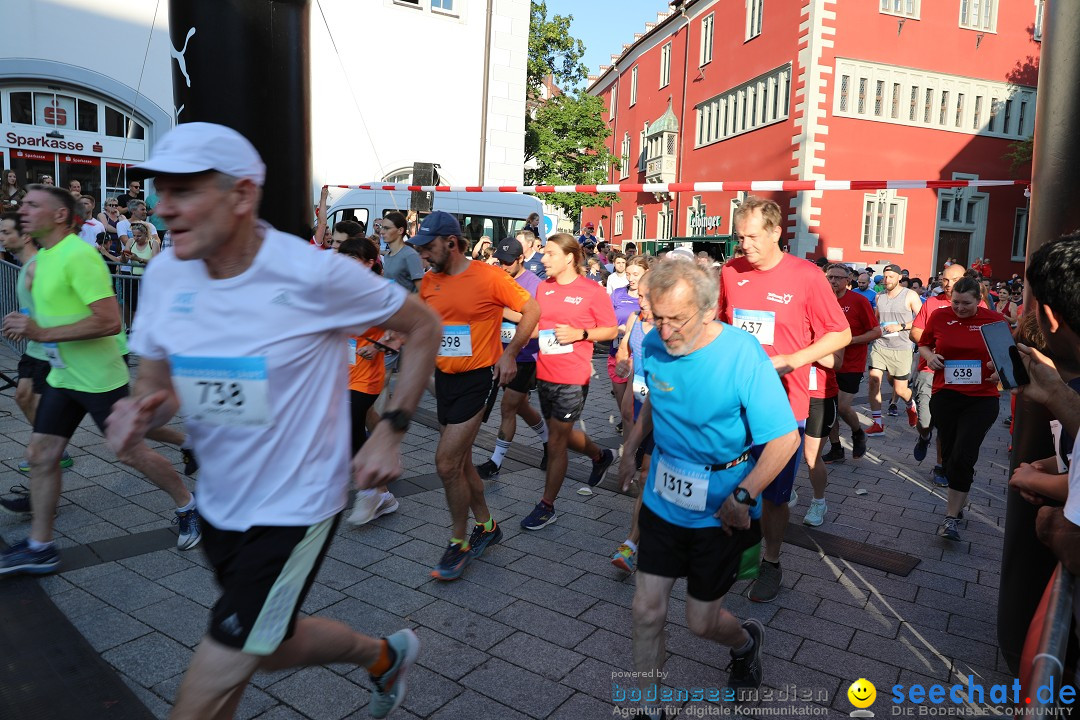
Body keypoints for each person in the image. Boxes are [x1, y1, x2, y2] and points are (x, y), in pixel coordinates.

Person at [101, 122, 441, 719]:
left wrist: (391, 428)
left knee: (213, 675)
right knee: (266, 649)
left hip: (298, 505)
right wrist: (145, 405)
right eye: (160, 190)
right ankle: (384, 656)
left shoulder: (313, 274)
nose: (163, 207)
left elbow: (423, 327)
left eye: (184, 190)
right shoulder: (164, 274)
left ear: (241, 195)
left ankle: (382, 656)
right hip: (220, 502)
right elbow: (154, 378)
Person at [618, 260, 800, 714]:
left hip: (722, 507)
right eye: (656, 317)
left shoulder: (742, 355)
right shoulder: (655, 344)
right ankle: (648, 706)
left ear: (709, 308)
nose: (664, 329)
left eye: (675, 319)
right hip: (664, 501)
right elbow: (657, 400)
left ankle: (744, 642)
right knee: (646, 610)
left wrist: (745, 495)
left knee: (700, 621)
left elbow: (784, 439)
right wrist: (631, 445)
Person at [0, 184, 201, 576]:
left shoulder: (79, 257)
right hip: (63, 375)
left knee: (131, 453)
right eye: (21, 203)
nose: (22, 209)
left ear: (59, 215)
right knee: (41, 456)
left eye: (31, 204)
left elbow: (109, 321)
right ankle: (41, 546)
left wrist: (39, 331)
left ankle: (187, 505)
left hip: (98, 379)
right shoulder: (44, 258)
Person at [718, 196, 850, 603]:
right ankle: (738, 555)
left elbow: (839, 334)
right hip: (734, 403)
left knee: (774, 496)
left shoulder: (807, 276)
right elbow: (720, 328)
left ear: (776, 232)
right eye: (740, 237)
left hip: (783, 406)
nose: (745, 246)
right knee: (733, 483)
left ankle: (771, 562)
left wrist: (794, 359)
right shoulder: (730, 272)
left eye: (753, 237)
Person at [412, 212, 540, 579]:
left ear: (451, 243)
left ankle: (458, 542)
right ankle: (487, 526)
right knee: (462, 462)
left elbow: (532, 309)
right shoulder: (430, 281)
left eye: (428, 246)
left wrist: (511, 352)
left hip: (478, 378)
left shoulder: (488, 276)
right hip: (445, 378)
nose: (423, 254)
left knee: (446, 463)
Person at [520, 233, 618, 531]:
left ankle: (547, 505)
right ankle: (601, 455)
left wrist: (581, 335)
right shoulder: (544, 288)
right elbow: (538, 327)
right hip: (545, 372)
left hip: (573, 376)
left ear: (569, 257)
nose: (543, 259)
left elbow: (611, 330)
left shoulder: (591, 291)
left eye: (549, 253)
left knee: (557, 442)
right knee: (557, 432)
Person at [917, 276, 1005, 541]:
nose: (959, 308)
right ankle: (960, 487)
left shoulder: (994, 321)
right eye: (955, 302)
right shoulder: (940, 316)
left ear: (979, 300)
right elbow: (924, 344)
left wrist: (998, 374)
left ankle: (951, 518)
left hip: (981, 399)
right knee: (952, 455)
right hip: (946, 396)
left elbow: (1006, 359)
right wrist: (930, 357)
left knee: (964, 455)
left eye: (966, 303)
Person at [338, 236, 400, 525]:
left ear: (370, 262)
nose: (345, 263)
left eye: (353, 258)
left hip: (366, 375)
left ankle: (370, 489)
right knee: (352, 430)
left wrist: (376, 346)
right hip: (341, 372)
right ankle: (382, 493)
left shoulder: (383, 290)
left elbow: (400, 331)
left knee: (352, 427)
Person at [476, 236, 549, 480]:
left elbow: (538, 321)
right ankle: (548, 439)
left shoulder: (535, 283)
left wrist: (507, 311)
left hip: (526, 356)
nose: (504, 266)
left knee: (508, 406)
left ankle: (495, 462)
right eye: (501, 261)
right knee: (521, 407)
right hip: (497, 353)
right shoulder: (497, 278)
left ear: (521, 259)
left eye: (508, 262)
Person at [909, 263, 982, 486]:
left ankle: (941, 465)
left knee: (946, 424)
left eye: (954, 280)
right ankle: (924, 435)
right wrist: (932, 350)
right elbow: (916, 333)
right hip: (930, 370)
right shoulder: (932, 303)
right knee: (926, 421)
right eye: (945, 280)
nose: (948, 285)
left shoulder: (978, 304)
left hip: (962, 376)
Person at [611, 269, 654, 573]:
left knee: (646, 476)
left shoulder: (677, 331)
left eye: (643, 296)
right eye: (637, 295)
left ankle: (632, 542)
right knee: (644, 478)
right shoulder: (637, 320)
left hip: (666, 416)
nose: (638, 301)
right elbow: (628, 351)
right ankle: (637, 538)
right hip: (639, 409)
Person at [822, 263, 880, 463]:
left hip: (851, 364)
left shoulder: (858, 301)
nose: (833, 281)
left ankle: (857, 433)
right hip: (826, 362)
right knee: (829, 409)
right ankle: (836, 447)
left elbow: (876, 331)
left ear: (848, 281)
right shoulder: (821, 300)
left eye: (838, 278)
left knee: (843, 407)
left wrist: (850, 340)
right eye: (830, 277)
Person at [865, 264, 921, 435]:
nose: (887, 279)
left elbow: (922, 320)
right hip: (880, 345)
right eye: (885, 276)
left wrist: (901, 326)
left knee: (900, 390)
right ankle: (878, 423)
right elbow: (876, 319)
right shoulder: (879, 296)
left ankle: (910, 405)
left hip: (901, 347)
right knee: (874, 380)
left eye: (890, 276)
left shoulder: (910, 295)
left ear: (899, 277)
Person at [608, 255, 646, 434]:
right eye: (629, 274)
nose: (631, 278)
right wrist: (618, 329)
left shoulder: (648, 298)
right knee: (620, 395)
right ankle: (627, 422)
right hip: (616, 351)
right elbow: (606, 321)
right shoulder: (617, 294)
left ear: (646, 273)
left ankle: (635, 435)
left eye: (636, 274)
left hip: (637, 355)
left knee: (633, 402)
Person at [381, 211, 423, 292]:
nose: (382, 232)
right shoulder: (387, 256)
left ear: (400, 230)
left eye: (386, 228)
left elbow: (421, 291)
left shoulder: (410, 255)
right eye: (382, 227)